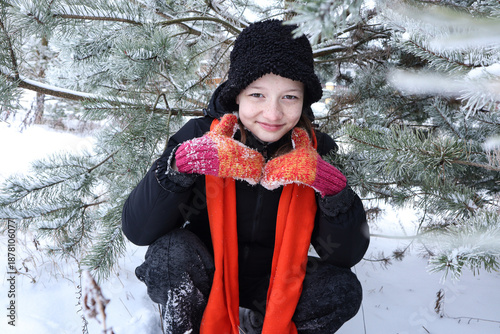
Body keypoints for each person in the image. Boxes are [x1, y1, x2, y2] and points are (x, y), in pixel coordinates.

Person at [122, 19, 369, 334]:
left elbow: (345, 255)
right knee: (170, 253)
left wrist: (334, 191)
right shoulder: (199, 136)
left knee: (341, 288)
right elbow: (138, 230)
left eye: (289, 97)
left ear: (304, 100)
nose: (273, 113)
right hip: (209, 273)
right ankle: (191, 326)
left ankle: (262, 322)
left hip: (278, 282)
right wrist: (181, 167)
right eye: (257, 95)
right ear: (236, 94)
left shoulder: (318, 152)